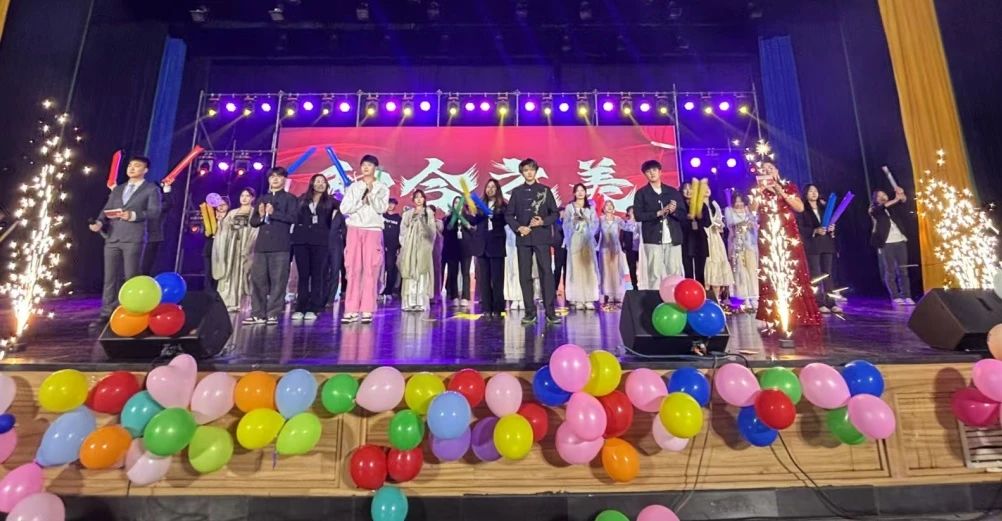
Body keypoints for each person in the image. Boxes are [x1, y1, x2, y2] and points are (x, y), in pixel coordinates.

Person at [89, 156, 162, 325]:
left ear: (145, 170)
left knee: (131, 276)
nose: (132, 168)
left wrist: (133, 215)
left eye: (137, 166)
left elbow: (154, 212)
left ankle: (130, 309)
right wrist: (99, 223)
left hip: (133, 237)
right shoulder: (118, 189)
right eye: (130, 165)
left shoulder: (151, 189)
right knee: (110, 277)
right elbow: (106, 209)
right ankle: (107, 312)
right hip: (113, 237)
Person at [752, 161, 821, 329]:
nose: (767, 171)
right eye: (764, 169)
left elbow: (800, 207)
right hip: (768, 235)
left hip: (788, 234)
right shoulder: (759, 190)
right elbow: (751, 210)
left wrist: (780, 191)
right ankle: (774, 314)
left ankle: (801, 312)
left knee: (794, 270)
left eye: (770, 168)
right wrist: (758, 192)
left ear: (776, 171)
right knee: (771, 271)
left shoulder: (788, 186)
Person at [504, 158, 561, 325]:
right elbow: (509, 215)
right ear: (522, 173)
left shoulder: (545, 190)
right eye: (525, 170)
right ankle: (530, 312)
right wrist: (518, 227)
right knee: (525, 275)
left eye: (531, 169)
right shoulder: (517, 192)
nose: (529, 173)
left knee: (546, 273)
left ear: (536, 171)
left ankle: (550, 312)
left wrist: (543, 221)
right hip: (523, 239)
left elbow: (555, 213)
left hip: (542, 238)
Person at [245, 167, 298, 325]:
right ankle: (258, 313)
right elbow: (253, 222)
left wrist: (273, 213)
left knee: (278, 281)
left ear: (284, 179)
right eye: (272, 177)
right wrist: (262, 216)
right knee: (258, 280)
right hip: (262, 246)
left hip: (281, 245)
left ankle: (273, 313)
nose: (275, 179)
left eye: (279, 176)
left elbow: (293, 218)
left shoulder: (290, 198)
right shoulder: (263, 198)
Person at [340, 155, 390, 323]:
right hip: (355, 228)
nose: (366, 168)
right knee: (353, 269)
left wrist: (372, 194)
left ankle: (367, 308)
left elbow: (382, 208)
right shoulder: (354, 187)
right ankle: (351, 309)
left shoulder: (382, 188)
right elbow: (344, 208)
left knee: (370, 269)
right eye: (363, 165)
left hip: (373, 229)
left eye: (369, 165)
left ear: (376, 168)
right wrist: (361, 200)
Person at [632, 160, 686, 289]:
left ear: (660, 172)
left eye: (654, 170)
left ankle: (675, 298)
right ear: (645, 174)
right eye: (648, 171)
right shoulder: (641, 193)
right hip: (652, 238)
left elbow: (683, 214)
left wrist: (673, 211)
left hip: (673, 238)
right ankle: (654, 299)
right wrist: (658, 213)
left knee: (674, 272)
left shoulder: (672, 192)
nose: (652, 173)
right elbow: (638, 215)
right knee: (654, 274)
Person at [291, 174, 335, 320]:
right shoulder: (302, 199)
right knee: (303, 275)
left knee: (317, 275)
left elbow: (344, 209)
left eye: (323, 182)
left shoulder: (331, 201)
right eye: (317, 181)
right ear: (312, 183)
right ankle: (300, 307)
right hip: (301, 240)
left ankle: (314, 307)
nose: (320, 184)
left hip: (320, 241)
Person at [213, 188, 258, 311]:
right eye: (242, 195)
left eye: (247, 196)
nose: (244, 198)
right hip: (232, 249)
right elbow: (224, 229)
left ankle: (241, 303)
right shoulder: (232, 213)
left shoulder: (254, 213)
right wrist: (220, 223)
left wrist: (248, 247)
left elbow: (255, 232)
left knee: (244, 274)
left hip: (247, 249)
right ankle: (228, 302)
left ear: (252, 198)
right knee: (229, 274)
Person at [798, 184, 841, 313]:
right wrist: (815, 230)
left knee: (827, 274)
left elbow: (830, 224)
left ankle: (831, 303)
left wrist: (832, 228)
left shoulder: (824, 208)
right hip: (812, 245)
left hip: (826, 243)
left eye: (815, 191)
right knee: (816, 275)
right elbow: (800, 228)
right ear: (805, 194)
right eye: (811, 191)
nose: (814, 193)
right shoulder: (802, 209)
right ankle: (819, 303)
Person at [469, 179, 507, 317]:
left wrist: (494, 216)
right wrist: (468, 214)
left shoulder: (503, 206)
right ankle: (486, 308)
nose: (490, 189)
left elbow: (505, 221)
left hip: (496, 245)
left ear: (497, 189)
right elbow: (475, 221)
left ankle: (498, 308)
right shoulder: (480, 205)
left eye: (493, 187)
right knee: (483, 280)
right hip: (482, 246)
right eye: (488, 187)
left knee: (497, 279)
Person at [869, 186, 914, 304]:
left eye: (883, 194)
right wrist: (896, 199)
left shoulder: (893, 206)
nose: (882, 197)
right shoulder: (874, 209)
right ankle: (895, 296)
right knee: (890, 270)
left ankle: (907, 295)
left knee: (903, 270)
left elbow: (904, 201)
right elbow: (882, 207)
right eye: (879, 196)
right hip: (886, 243)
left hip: (900, 240)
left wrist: (901, 194)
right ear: (875, 199)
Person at [399, 190, 441, 311]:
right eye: (416, 197)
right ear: (413, 199)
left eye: (421, 197)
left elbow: (432, 231)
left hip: (423, 247)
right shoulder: (408, 213)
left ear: (424, 199)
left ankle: (421, 302)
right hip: (410, 247)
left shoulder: (428, 213)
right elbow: (403, 229)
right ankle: (409, 302)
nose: (418, 199)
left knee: (422, 271)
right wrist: (406, 243)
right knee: (410, 271)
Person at [563, 184, 601, 310]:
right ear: (574, 193)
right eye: (577, 191)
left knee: (588, 268)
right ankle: (578, 299)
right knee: (576, 268)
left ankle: (589, 298)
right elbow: (565, 224)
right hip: (575, 240)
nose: (580, 193)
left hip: (587, 240)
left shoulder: (590, 207)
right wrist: (573, 222)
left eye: (582, 190)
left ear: (585, 192)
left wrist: (587, 221)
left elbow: (595, 223)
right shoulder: (569, 207)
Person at [725, 192, 759, 311]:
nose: (738, 203)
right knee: (740, 271)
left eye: (740, 201)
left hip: (750, 244)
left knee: (752, 270)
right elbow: (731, 224)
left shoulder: (748, 210)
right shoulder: (729, 210)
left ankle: (754, 297)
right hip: (736, 245)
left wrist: (752, 223)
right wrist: (745, 223)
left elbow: (754, 223)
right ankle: (744, 298)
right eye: (736, 201)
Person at [703, 186, 734, 304]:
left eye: (707, 187)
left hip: (716, 238)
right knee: (707, 268)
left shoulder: (714, 204)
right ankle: (706, 300)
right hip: (705, 237)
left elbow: (721, 222)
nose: (706, 190)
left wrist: (719, 225)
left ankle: (717, 300)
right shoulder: (698, 205)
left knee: (718, 267)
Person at [442, 196, 473, 308]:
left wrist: (468, 226)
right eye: (455, 203)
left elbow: (474, 232)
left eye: (460, 203)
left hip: (466, 248)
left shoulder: (468, 217)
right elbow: (445, 232)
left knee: (465, 273)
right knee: (453, 273)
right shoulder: (448, 218)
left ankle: (465, 297)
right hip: (453, 248)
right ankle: (454, 296)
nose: (457, 205)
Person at [681, 182, 711, 285]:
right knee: (688, 271)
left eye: (691, 188)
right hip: (686, 240)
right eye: (685, 189)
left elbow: (708, 222)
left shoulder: (701, 204)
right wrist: (687, 218)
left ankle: (701, 292)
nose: (688, 191)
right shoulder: (680, 206)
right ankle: (688, 292)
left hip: (700, 240)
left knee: (700, 272)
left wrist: (698, 217)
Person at [599, 201, 627, 304]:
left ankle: (617, 293)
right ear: (603, 209)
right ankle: (608, 293)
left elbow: (627, 227)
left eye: (611, 205)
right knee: (606, 272)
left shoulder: (618, 219)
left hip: (615, 249)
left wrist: (635, 221)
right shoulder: (600, 219)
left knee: (616, 271)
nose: (609, 207)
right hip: (604, 249)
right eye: (607, 205)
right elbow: (594, 231)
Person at [141, 181, 172, 275]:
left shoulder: (159, 205)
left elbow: (169, 204)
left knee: (145, 266)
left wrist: (167, 191)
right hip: (138, 238)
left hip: (152, 238)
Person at [201, 194, 228, 292]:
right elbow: (205, 234)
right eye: (219, 205)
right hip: (210, 249)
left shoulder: (231, 218)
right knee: (209, 273)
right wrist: (207, 232)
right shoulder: (210, 216)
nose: (221, 207)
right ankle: (209, 294)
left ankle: (219, 294)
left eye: (223, 205)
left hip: (223, 250)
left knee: (220, 273)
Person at [327, 196, 347, 304]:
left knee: (335, 271)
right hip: (323, 245)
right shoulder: (322, 212)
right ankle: (320, 296)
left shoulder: (340, 215)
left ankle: (330, 298)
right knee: (323, 271)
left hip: (336, 246)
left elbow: (344, 231)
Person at [381, 198, 402, 299]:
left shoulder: (398, 218)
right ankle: (379, 290)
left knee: (391, 268)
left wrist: (398, 246)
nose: (390, 205)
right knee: (380, 269)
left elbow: (401, 233)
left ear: (395, 205)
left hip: (392, 247)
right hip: (380, 246)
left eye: (392, 204)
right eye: (389, 203)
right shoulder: (381, 216)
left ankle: (389, 290)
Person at [620, 206, 640, 290]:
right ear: (628, 213)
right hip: (630, 248)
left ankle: (643, 284)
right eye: (632, 211)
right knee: (632, 267)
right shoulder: (625, 223)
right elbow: (621, 236)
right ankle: (634, 285)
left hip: (641, 248)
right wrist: (623, 246)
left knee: (642, 267)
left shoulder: (640, 222)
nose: (634, 212)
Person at [553, 206, 567, 297]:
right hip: (559, 248)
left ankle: (567, 289)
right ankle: (554, 288)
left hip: (567, 248)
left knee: (567, 269)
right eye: (563, 212)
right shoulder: (556, 222)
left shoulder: (568, 222)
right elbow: (559, 229)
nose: (564, 213)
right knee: (558, 268)